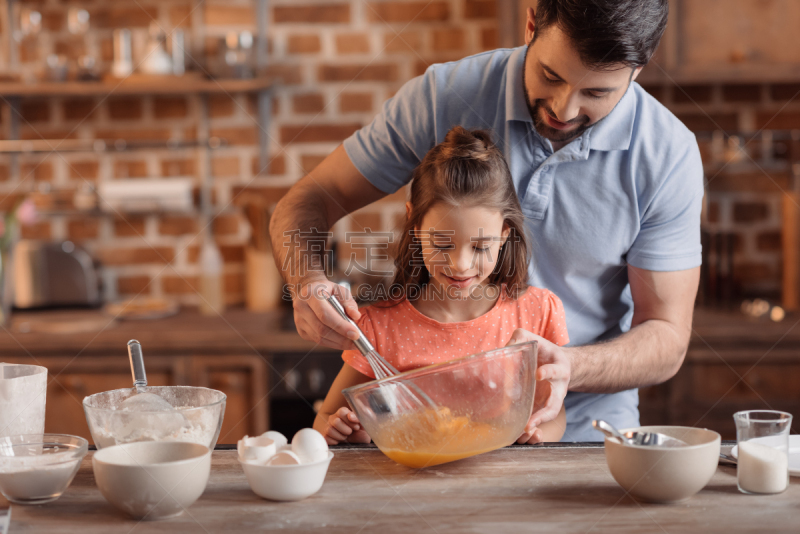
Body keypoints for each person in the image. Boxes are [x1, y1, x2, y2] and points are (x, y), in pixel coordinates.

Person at [271, 0, 702, 441]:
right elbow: (309, 198)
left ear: (640, 67)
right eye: (551, 76)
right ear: (532, 22)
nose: (564, 109)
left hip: (584, 432)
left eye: (597, 93)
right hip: (434, 436)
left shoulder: (667, 156)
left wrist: (567, 366)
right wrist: (306, 281)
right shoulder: (443, 95)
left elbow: (666, 337)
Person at [314, 126, 569, 445]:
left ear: (505, 234)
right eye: (443, 243)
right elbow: (324, 418)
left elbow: (553, 411)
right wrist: (342, 429)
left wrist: (536, 433)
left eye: (479, 246)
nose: (460, 264)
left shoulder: (537, 312)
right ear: (416, 225)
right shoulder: (379, 328)